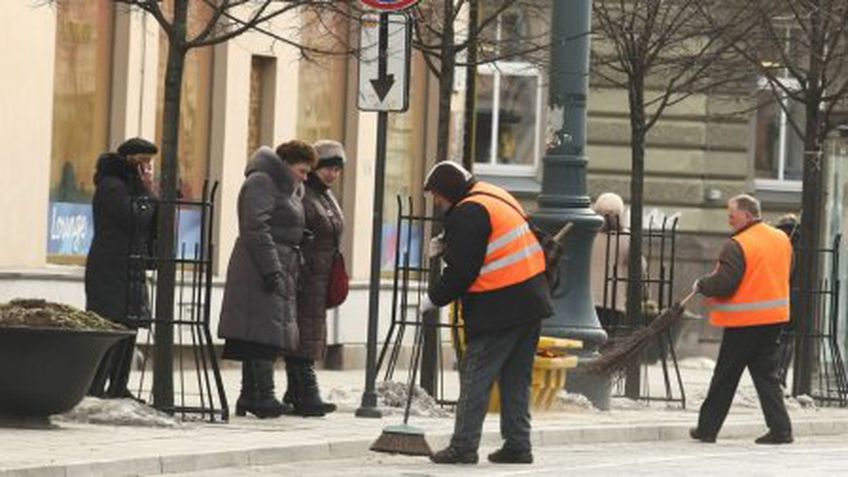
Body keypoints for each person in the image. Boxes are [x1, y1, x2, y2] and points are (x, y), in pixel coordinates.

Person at [421, 161, 553, 465]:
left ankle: (464, 445)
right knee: (516, 377)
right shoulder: (493, 195)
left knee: (476, 374)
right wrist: (448, 243)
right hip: (530, 300)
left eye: (438, 197)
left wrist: (433, 298)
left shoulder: (468, 210)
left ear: (449, 190)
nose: (438, 204)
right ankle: (518, 444)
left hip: (500, 304)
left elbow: (464, 270)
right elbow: (491, 242)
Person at [218, 141, 317, 419]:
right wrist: (272, 268)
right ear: (286, 164)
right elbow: (255, 226)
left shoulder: (288, 187)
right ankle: (262, 395)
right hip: (258, 267)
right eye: (302, 170)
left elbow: (279, 223)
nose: (305, 177)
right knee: (262, 332)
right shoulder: (262, 182)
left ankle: (251, 396)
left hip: (278, 264)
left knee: (265, 332)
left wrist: (299, 236)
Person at [690, 194, 794, 444]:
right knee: (765, 374)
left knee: (726, 375)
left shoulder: (738, 243)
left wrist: (703, 284)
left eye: (732, 216)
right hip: (774, 318)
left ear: (747, 215)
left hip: (745, 320)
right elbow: (788, 272)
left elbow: (726, 283)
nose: (729, 221)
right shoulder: (781, 238)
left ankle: (707, 429)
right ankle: (781, 430)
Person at [86, 137, 158, 399]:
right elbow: (135, 217)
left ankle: (118, 386)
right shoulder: (112, 187)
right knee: (110, 327)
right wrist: (147, 191)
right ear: (132, 162)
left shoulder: (130, 187)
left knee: (129, 327)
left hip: (130, 266)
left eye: (151, 163)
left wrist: (146, 191)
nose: (148, 169)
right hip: (111, 267)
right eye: (144, 162)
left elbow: (153, 223)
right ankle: (96, 387)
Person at [283, 140, 347, 417]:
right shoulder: (303, 193)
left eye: (337, 169)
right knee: (303, 334)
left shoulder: (326, 196)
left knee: (309, 332)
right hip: (305, 275)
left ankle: (295, 393)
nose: (332, 174)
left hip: (320, 276)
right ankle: (307, 394)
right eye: (327, 168)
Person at [589, 192, 641, 334]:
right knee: (608, 341)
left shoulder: (588, 235)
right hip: (613, 301)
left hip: (587, 300)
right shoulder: (627, 238)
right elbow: (639, 268)